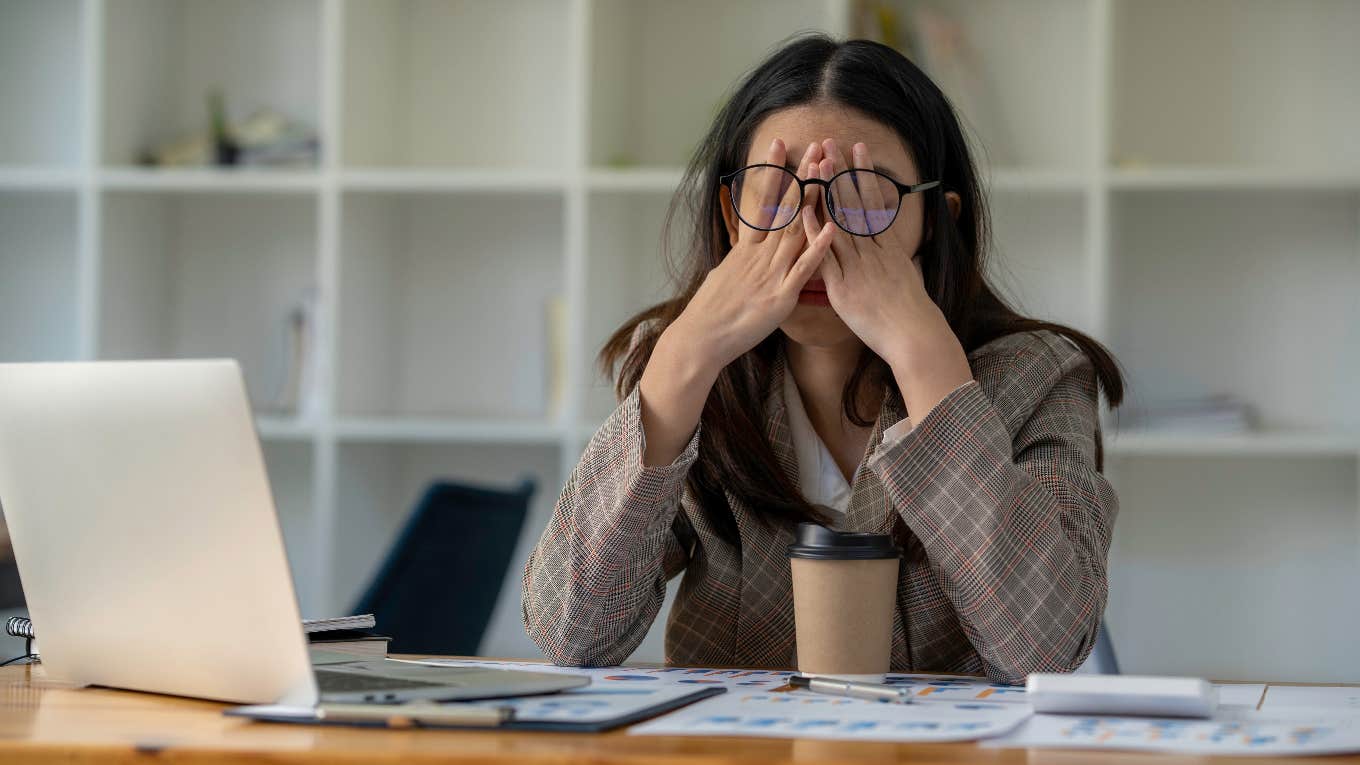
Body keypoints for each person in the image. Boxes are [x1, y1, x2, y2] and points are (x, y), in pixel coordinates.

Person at [522, 35, 1124, 684]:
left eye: (862, 195)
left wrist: (928, 363)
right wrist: (683, 358)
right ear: (731, 215)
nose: (814, 233)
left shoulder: (1040, 375)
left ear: (936, 222)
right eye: (777, 191)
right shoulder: (689, 372)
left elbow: (1045, 649)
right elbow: (569, 634)